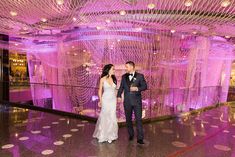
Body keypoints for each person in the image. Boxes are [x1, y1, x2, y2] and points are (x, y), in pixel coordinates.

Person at [117, 61, 147, 145]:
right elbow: (121, 88)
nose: (125, 68)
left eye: (126, 67)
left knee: (139, 120)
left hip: (137, 102)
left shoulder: (140, 76)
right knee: (128, 119)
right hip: (127, 101)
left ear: (132, 67)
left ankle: (140, 138)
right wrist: (119, 96)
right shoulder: (123, 77)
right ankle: (131, 134)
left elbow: (145, 86)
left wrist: (137, 88)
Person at [93, 64, 118, 143]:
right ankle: (103, 135)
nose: (114, 70)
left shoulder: (114, 79)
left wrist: (117, 98)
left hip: (113, 100)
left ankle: (110, 135)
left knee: (112, 116)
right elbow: (100, 90)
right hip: (105, 100)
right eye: (113, 69)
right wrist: (100, 100)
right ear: (108, 70)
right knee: (105, 116)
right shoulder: (102, 79)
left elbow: (115, 90)